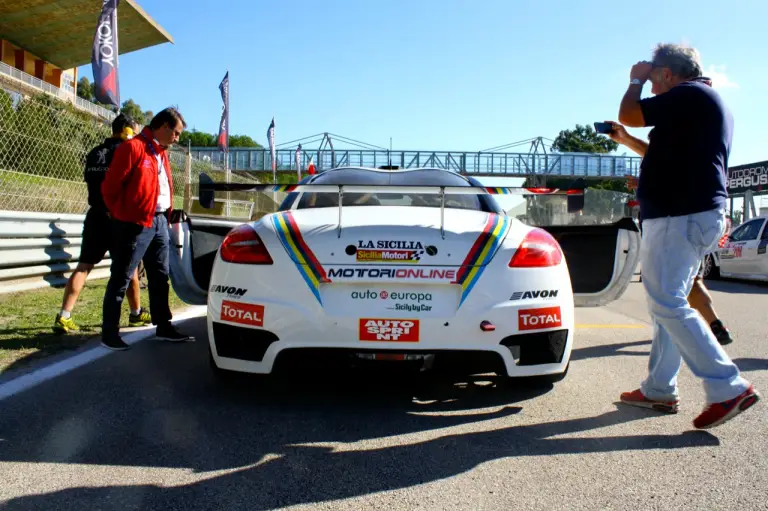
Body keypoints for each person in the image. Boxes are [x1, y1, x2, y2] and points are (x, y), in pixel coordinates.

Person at [606, 43, 758, 429]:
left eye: (655, 78)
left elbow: (630, 112)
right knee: (667, 305)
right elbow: (656, 150)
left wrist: (635, 79)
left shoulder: (687, 94)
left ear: (669, 74)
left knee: (666, 301)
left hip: (681, 214)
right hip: (692, 213)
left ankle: (728, 386)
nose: (653, 87)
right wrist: (627, 142)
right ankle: (659, 388)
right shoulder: (701, 102)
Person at [100, 107, 194, 350]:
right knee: (122, 276)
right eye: (176, 133)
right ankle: (109, 333)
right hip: (135, 223)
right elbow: (110, 187)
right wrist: (122, 214)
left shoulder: (161, 154)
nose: (177, 138)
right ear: (163, 127)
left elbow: (160, 188)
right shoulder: (133, 148)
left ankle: (163, 326)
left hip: (160, 221)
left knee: (160, 276)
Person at [53, 114, 151, 334]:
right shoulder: (128, 152)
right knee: (130, 268)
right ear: (127, 130)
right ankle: (136, 313)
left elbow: (91, 182)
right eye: (134, 131)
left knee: (84, 266)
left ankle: (64, 315)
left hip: (95, 216)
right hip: (120, 219)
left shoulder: (95, 153)